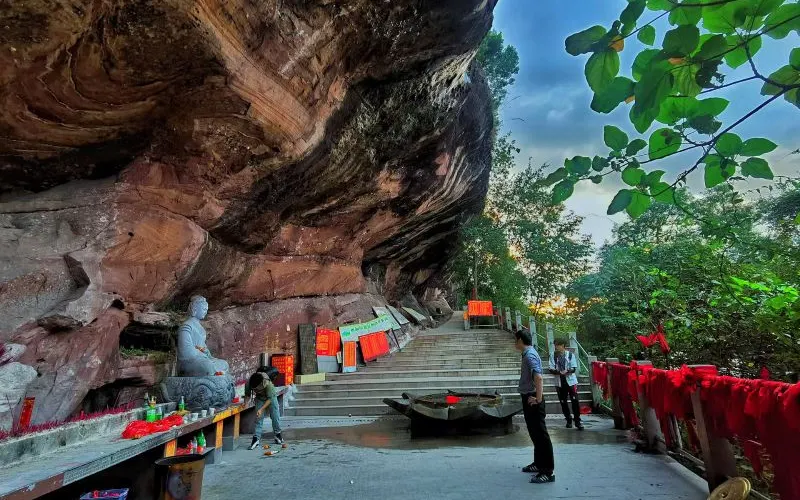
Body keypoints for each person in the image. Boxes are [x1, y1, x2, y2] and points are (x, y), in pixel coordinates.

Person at [515, 329, 555, 484]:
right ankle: (538, 464)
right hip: (529, 397)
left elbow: (538, 377)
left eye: (515, 340)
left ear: (520, 340)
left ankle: (548, 472)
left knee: (541, 435)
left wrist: (538, 398)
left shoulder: (530, 355)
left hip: (533, 398)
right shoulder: (527, 353)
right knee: (535, 434)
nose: (514, 343)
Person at [549, 338, 584, 430]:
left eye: (558, 345)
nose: (556, 347)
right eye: (555, 345)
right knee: (563, 401)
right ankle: (568, 419)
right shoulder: (553, 355)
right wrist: (558, 372)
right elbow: (551, 368)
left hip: (571, 381)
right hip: (559, 381)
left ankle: (577, 421)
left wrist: (567, 371)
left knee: (575, 401)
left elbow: (574, 368)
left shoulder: (570, 355)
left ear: (563, 345)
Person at [248, 367, 283, 450]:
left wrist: (261, 409)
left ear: (261, 383)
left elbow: (270, 399)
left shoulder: (268, 384)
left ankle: (277, 434)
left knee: (275, 416)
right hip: (259, 398)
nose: (256, 389)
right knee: (258, 418)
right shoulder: (249, 382)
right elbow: (247, 394)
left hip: (271, 398)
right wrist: (245, 403)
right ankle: (256, 438)